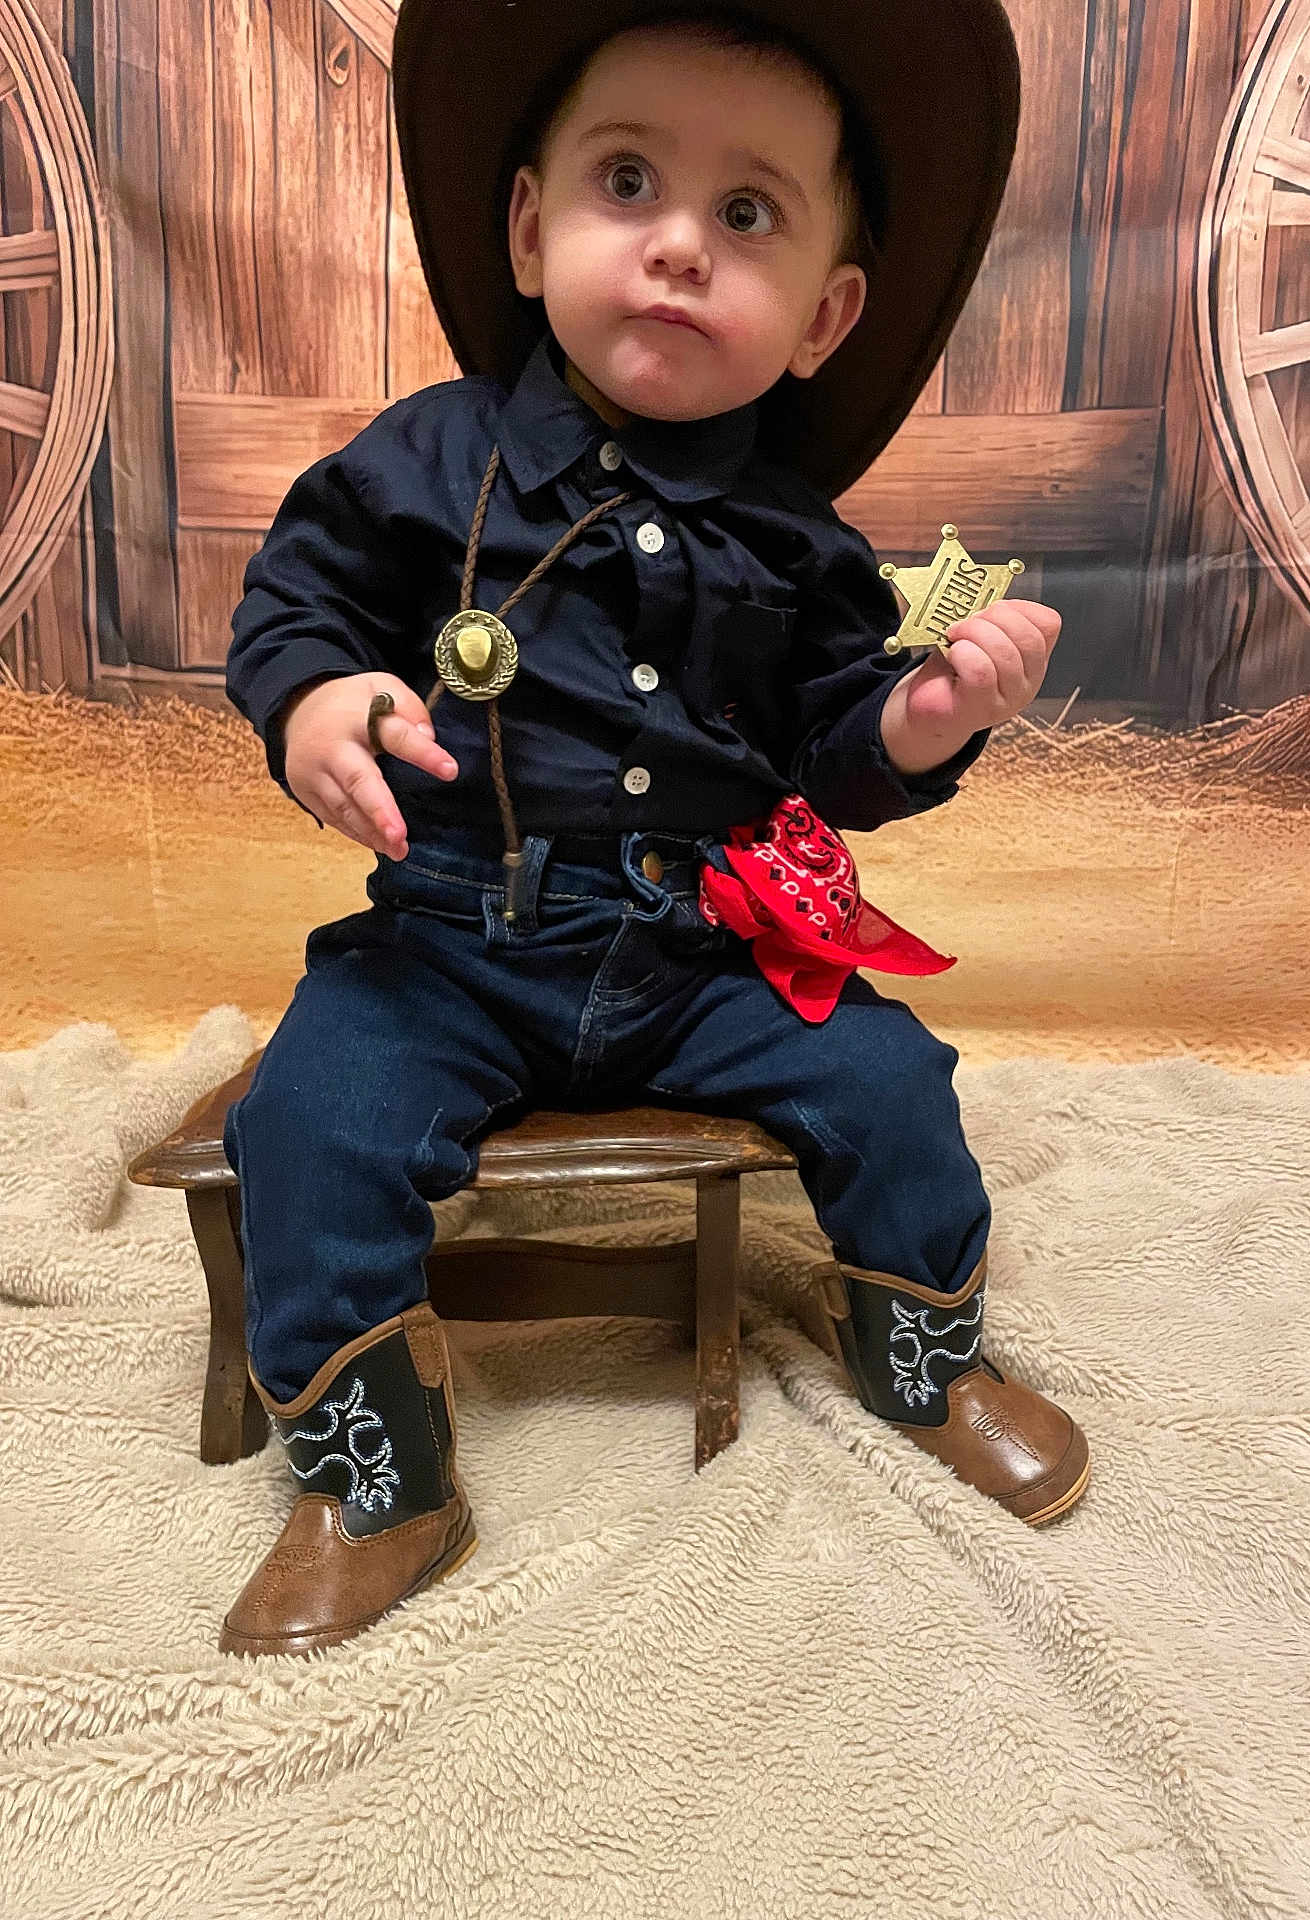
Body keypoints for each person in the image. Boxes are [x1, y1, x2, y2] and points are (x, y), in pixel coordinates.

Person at [219, 0, 1088, 1661]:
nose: (682, 244)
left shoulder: (802, 545)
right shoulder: (431, 459)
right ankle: (375, 1471)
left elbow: (830, 750)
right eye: (631, 182)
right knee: (310, 1123)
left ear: (826, 314)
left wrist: (923, 720)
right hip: (456, 933)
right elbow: (302, 602)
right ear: (535, 227)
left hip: (709, 946)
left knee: (893, 1083)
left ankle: (927, 1354)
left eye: (746, 215)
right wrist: (318, 702)